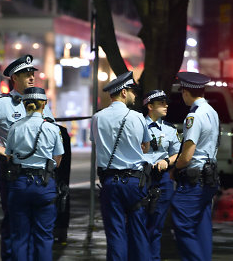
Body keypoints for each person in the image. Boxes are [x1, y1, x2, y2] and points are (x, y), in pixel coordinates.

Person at [0, 54, 54, 261]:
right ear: (14, 77)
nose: (31, 77)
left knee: (39, 226)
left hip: (41, 172)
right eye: (26, 74)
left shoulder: (41, 101)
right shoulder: (2, 103)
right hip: (12, 170)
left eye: (32, 73)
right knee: (15, 223)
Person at [91, 71, 152, 260]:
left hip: (110, 182)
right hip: (135, 182)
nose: (135, 95)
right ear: (124, 92)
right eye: (132, 91)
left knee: (115, 233)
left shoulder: (98, 118)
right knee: (139, 232)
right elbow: (146, 146)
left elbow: (96, 143)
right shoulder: (138, 118)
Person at [3, 87, 64, 260]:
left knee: (19, 236)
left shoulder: (15, 127)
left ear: (24, 104)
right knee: (44, 236)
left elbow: (9, 155)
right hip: (44, 184)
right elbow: (57, 159)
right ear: (44, 104)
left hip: (20, 184)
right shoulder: (52, 128)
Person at [170, 72, 220, 261]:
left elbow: (187, 156)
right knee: (202, 226)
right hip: (209, 179)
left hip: (194, 181)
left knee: (182, 222)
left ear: (185, 91)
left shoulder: (194, 116)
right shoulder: (212, 112)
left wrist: (173, 168)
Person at [142, 90, 181, 260]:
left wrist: (167, 160)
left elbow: (177, 153)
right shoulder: (137, 126)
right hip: (141, 179)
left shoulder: (170, 130)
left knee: (156, 227)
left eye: (166, 102)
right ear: (150, 106)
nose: (166, 106)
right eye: (161, 103)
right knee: (138, 225)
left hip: (161, 180)